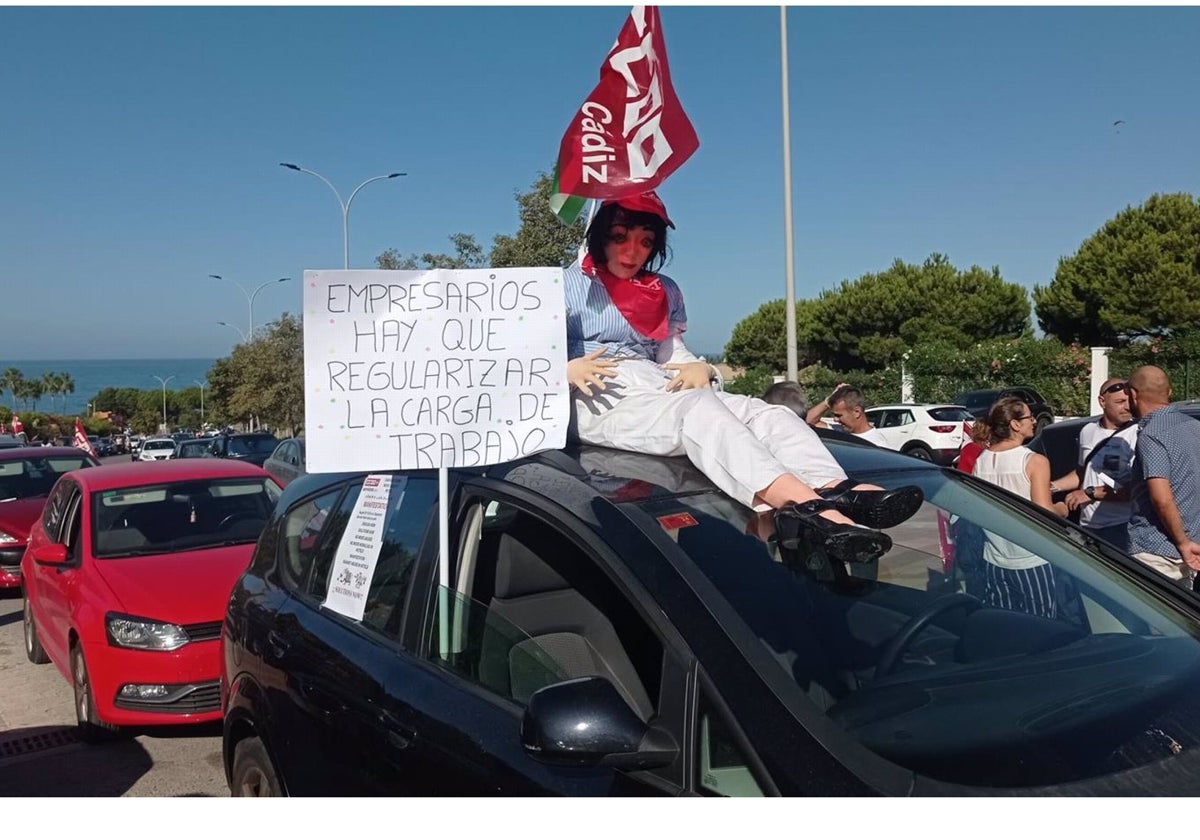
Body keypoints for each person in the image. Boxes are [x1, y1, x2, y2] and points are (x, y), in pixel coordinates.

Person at [564, 191, 922, 563]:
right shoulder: (566, 286)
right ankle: (806, 508)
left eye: (645, 241)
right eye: (619, 237)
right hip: (598, 395)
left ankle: (834, 488)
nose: (632, 251)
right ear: (599, 235)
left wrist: (702, 367)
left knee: (769, 413)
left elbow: (671, 354)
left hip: (656, 384)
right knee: (698, 411)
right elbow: (522, 364)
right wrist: (563, 370)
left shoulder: (661, 290)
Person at [971, 396, 1058, 617]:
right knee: (1041, 624)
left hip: (993, 557)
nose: (1034, 422)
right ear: (1015, 424)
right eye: (1029, 417)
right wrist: (1063, 508)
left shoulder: (982, 459)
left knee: (1005, 623)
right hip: (1030, 559)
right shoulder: (1034, 461)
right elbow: (1044, 512)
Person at [1125, 365, 1200, 587]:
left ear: (1133, 395)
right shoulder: (1194, 427)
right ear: (1168, 392)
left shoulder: (1151, 435)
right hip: (1192, 548)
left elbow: (1162, 498)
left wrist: (1183, 542)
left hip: (1156, 551)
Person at [1048, 377, 1137, 550]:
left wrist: (1091, 493)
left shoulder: (1136, 434)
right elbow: (1083, 472)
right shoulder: (1087, 431)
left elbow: (1135, 489)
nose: (1127, 407)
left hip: (1121, 527)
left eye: (1129, 401)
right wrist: (1051, 486)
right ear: (1102, 401)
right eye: (1120, 402)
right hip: (1087, 527)